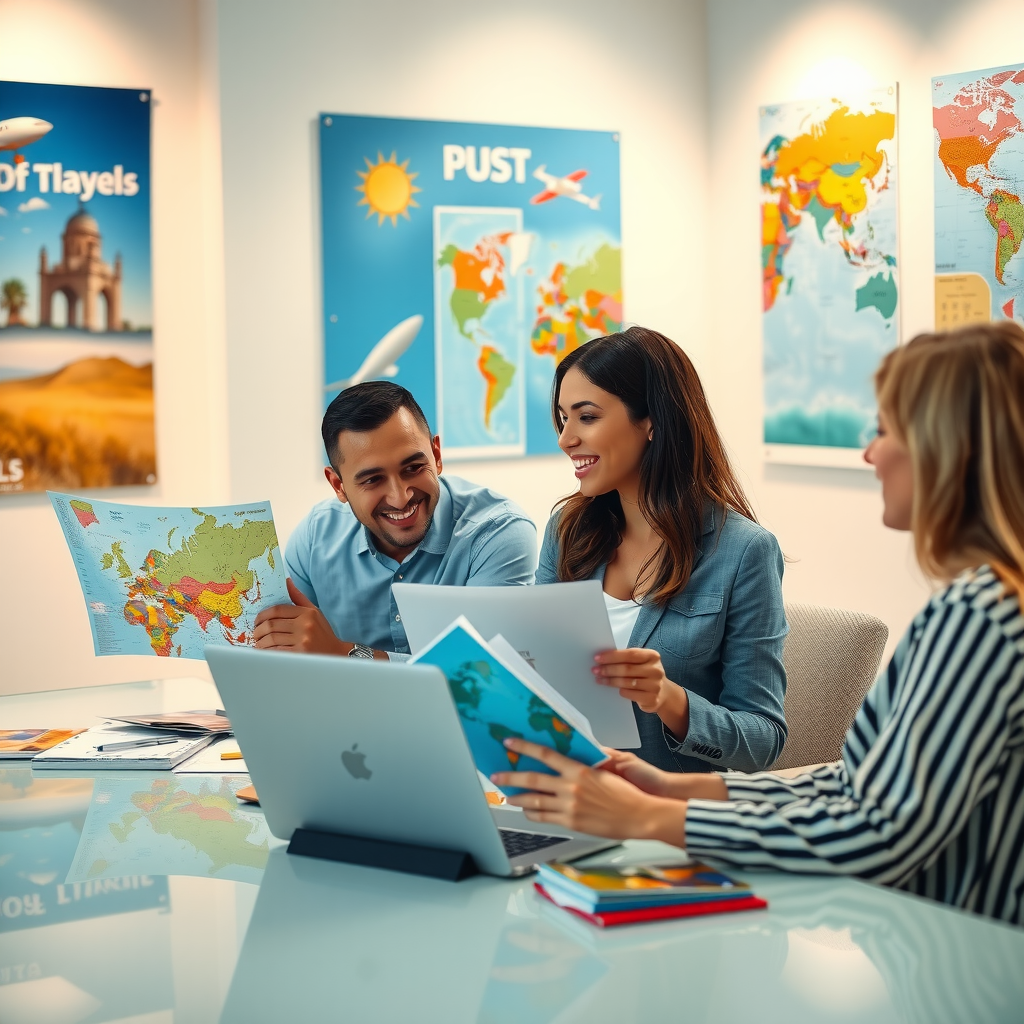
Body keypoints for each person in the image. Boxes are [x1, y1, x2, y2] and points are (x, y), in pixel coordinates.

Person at [493, 321, 1024, 926]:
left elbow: (881, 831)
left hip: (962, 956)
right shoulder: (971, 607)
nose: (869, 452)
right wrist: (674, 794)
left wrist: (650, 813)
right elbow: (853, 788)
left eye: (885, 429)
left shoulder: (979, 618)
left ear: (950, 447)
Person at [536, 326, 787, 772]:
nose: (565, 438)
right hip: (563, 788)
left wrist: (669, 699)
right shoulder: (566, 531)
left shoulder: (745, 552)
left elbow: (762, 741)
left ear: (651, 420)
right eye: (563, 418)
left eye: (587, 416)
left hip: (665, 814)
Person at [253, 381, 536, 659]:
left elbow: (483, 672)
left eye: (413, 468)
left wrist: (344, 655)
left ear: (436, 455)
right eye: (373, 480)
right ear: (338, 485)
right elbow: (283, 663)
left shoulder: (498, 533)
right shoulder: (314, 538)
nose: (400, 498)